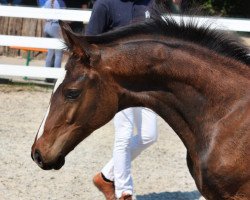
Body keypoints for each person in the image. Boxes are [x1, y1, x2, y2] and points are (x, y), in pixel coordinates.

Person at [85, 0, 158, 199]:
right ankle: (125, 191)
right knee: (124, 134)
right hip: (117, 82)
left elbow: (158, 38)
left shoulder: (151, 4)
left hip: (145, 82)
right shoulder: (105, 4)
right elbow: (89, 43)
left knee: (149, 135)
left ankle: (105, 176)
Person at [43, 0, 65, 83]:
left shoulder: (47, 2)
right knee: (58, 53)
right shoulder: (60, 2)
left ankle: (47, 76)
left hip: (47, 25)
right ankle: (56, 76)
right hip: (55, 26)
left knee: (50, 52)